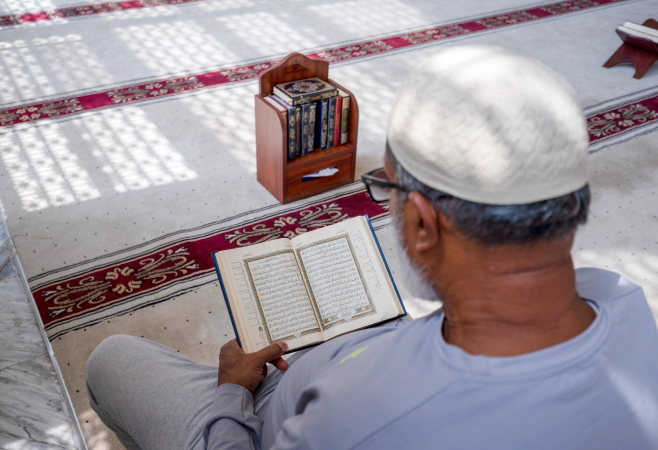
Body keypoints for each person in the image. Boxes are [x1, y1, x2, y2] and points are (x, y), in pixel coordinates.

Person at [86, 45, 658, 450]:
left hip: (262, 415)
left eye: (387, 189)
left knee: (112, 360)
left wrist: (233, 397)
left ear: (425, 223)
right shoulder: (623, 297)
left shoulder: (363, 417)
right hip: (344, 365)